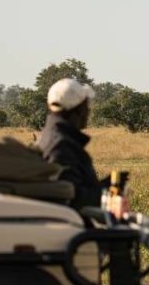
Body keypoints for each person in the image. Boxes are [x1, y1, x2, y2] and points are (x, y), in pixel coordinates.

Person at [36, 78, 107, 211]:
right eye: (86, 105)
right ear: (77, 109)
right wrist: (106, 188)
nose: (88, 111)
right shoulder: (61, 146)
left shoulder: (48, 136)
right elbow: (72, 199)